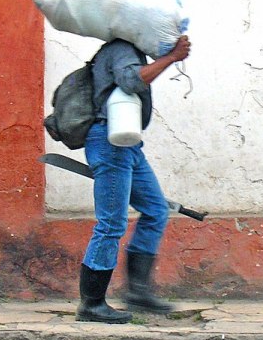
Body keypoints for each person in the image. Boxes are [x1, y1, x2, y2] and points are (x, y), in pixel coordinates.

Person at [77, 35, 192, 323]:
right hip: (110, 142)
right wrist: (171, 58)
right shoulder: (121, 48)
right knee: (111, 223)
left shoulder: (130, 49)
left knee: (155, 210)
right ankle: (91, 304)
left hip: (127, 144)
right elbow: (131, 81)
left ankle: (138, 292)